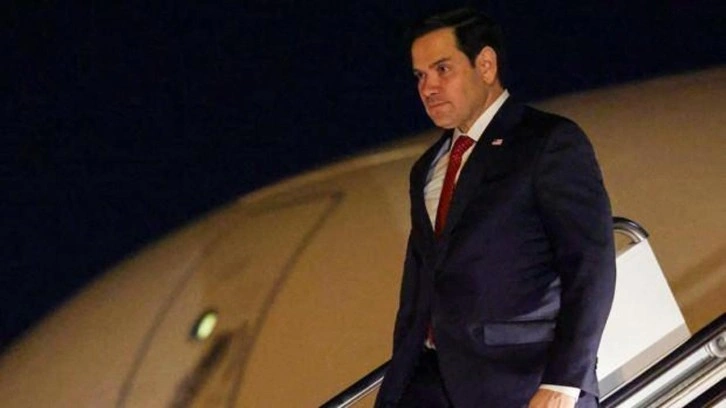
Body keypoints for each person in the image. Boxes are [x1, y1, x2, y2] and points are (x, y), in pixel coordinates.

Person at [375, 8, 616, 408]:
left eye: (442, 69)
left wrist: (565, 381)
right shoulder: (427, 168)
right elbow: (420, 283)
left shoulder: (546, 142)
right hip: (429, 382)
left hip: (521, 381)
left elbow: (590, 263)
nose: (428, 88)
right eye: (420, 76)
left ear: (485, 65)